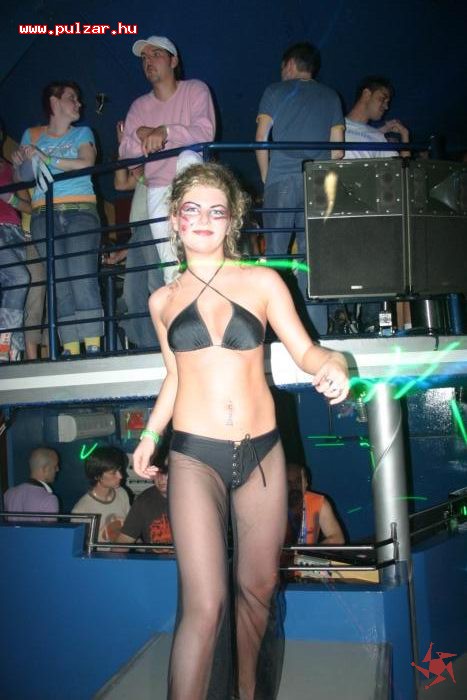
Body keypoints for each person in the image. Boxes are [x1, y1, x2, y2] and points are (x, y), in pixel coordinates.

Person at [132, 162, 349, 700]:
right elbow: (174, 376)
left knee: (257, 590)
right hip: (193, 456)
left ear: (232, 220)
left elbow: (306, 350)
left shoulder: (262, 281)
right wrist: (150, 436)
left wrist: (334, 361)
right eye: (192, 209)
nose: (204, 219)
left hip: (262, 455)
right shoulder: (162, 300)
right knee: (204, 605)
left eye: (217, 210)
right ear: (175, 220)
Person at [12, 81, 104, 357]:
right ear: (54, 102)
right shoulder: (31, 135)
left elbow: (86, 163)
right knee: (60, 282)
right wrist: (20, 162)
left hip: (80, 211)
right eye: (72, 98)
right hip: (44, 215)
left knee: (81, 274)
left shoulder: (83, 133)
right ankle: (71, 349)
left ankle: (93, 348)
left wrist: (47, 158)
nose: (79, 103)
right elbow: (22, 178)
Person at [119, 35, 215, 287]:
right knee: (170, 269)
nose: (148, 61)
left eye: (156, 54)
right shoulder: (139, 107)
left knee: (187, 156)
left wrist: (166, 132)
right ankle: (179, 304)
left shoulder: (195, 89)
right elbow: (126, 154)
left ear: (173, 61)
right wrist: (142, 134)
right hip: (158, 187)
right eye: (144, 57)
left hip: (192, 181)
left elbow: (205, 132)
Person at [255, 41, 344, 260]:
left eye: (282, 68)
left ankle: (275, 284)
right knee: (310, 253)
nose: (282, 73)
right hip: (317, 181)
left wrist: (266, 176)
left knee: (276, 251)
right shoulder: (331, 96)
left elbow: (261, 138)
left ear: (290, 64)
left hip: (281, 178)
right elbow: (338, 151)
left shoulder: (274, 91)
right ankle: (307, 284)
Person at [111, 121, 162, 348]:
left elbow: (149, 180)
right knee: (132, 294)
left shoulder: (164, 163)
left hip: (155, 227)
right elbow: (120, 184)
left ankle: (166, 344)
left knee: (156, 286)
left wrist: (128, 151)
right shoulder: (143, 165)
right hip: (139, 232)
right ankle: (149, 347)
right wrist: (122, 149)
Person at [0, 118, 31, 362]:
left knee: (11, 293)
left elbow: (29, 205)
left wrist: (11, 200)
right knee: (20, 278)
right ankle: (6, 345)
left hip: (14, 232)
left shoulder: (11, 167)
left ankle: (10, 353)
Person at [71, 446, 130, 543]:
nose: (120, 476)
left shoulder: (122, 493)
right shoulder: (81, 510)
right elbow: (81, 546)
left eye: (119, 470)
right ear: (97, 476)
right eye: (113, 473)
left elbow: (130, 529)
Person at [344, 75, 410, 159]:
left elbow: (402, 166)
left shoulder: (378, 136)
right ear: (366, 94)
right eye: (382, 99)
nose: (386, 107)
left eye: (387, 102)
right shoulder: (333, 124)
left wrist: (405, 134)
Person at [286, 463, 344, 546]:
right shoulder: (271, 507)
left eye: (298, 481)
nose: (294, 486)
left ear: (306, 483)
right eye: (288, 483)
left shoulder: (319, 503)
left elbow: (338, 539)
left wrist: (309, 552)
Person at [116, 462, 171, 547]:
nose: (161, 478)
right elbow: (125, 540)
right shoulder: (144, 500)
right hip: (152, 556)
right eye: (157, 473)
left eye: (166, 473)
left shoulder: (192, 498)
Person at [4, 447, 59, 515]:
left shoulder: (9, 493)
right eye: (55, 466)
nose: (57, 469)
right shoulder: (49, 499)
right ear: (45, 469)